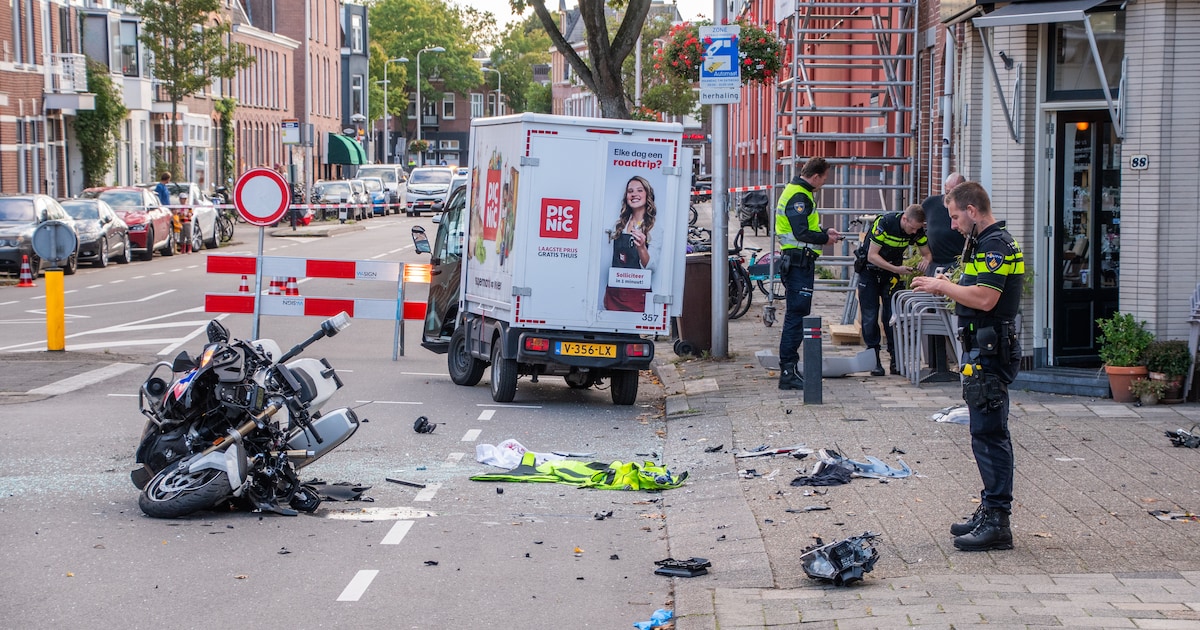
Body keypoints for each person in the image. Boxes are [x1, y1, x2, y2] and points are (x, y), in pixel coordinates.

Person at [911, 181, 1024, 552]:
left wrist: (943, 288)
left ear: (972, 211)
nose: (954, 225)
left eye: (957, 217)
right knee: (984, 433)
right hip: (982, 347)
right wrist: (950, 282)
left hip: (990, 350)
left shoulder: (994, 245)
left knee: (990, 435)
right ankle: (990, 508)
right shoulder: (984, 242)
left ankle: (998, 522)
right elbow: (975, 287)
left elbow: (986, 298)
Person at [774, 157, 843, 390]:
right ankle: (788, 371)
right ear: (815, 177)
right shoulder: (800, 196)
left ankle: (789, 368)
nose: (824, 182)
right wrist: (826, 238)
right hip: (798, 263)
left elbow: (804, 228)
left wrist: (824, 231)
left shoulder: (797, 192)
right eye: (824, 178)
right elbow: (801, 232)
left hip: (797, 261)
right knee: (796, 315)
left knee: (797, 314)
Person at [858, 204, 932, 376]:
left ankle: (895, 360)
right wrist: (896, 269)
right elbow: (872, 255)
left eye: (917, 229)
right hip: (870, 271)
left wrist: (926, 260)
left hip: (891, 275)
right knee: (870, 316)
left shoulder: (916, 230)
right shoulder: (885, 223)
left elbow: (927, 253)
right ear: (905, 219)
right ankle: (874, 359)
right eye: (912, 228)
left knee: (892, 317)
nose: (914, 233)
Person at [604, 175, 660, 312]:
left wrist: (641, 247)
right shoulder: (618, 226)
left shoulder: (655, 229)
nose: (634, 194)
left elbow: (651, 268)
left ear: (648, 195)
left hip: (636, 297)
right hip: (614, 295)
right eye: (630, 191)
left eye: (640, 190)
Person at [922, 172, 966, 276]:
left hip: (955, 264)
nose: (950, 196)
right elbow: (916, 225)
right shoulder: (930, 203)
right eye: (947, 192)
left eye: (954, 193)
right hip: (933, 263)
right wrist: (925, 254)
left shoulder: (965, 209)